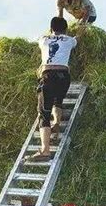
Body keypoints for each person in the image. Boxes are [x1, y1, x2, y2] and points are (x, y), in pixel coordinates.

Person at [25, 17, 79, 162]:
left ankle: (45, 150)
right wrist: (83, 24)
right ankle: (56, 124)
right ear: (66, 29)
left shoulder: (44, 39)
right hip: (64, 77)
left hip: (48, 76)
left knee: (43, 114)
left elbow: (44, 38)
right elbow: (78, 36)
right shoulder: (69, 40)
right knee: (58, 101)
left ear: (51, 29)